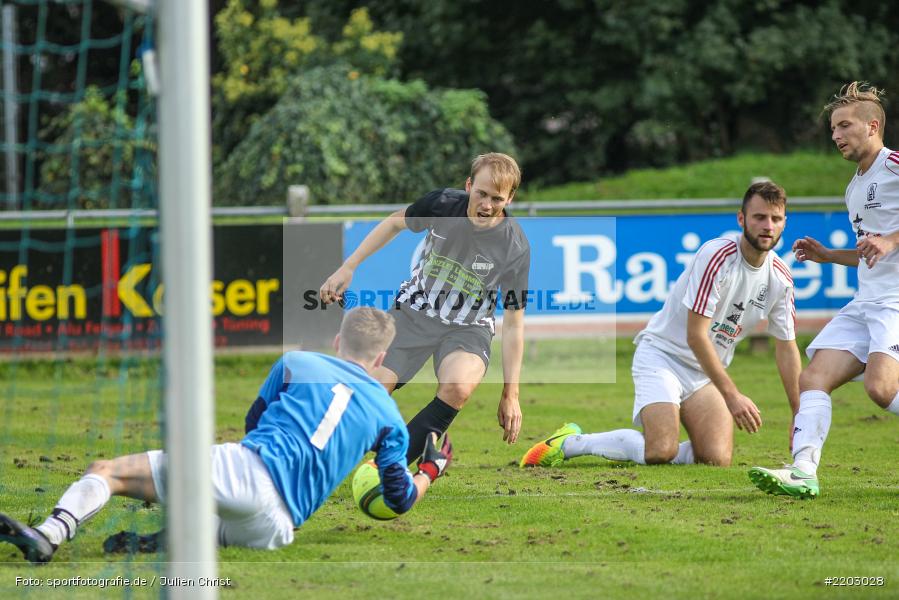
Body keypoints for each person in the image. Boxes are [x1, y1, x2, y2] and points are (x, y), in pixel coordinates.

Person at [0, 307, 452, 563]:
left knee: (107, 471)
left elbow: (254, 423)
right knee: (212, 522)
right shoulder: (389, 416)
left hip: (245, 473)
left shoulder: (298, 363)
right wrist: (431, 468)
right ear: (381, 356)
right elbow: (399, 500)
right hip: (278, 526)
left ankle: (49, 534)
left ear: (337, 341)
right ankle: (178, 537)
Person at [521, 181, 801, 469]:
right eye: (759, 217)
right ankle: (572, 442)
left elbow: (787, 346)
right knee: (659, 451)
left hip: (703, 375)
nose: (767, 225)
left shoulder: (780, 278)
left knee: (715, 460)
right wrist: (732, 395)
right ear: (741, 219)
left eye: (775, 219)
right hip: (663, 357)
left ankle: (670, 441)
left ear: (784, 223)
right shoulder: (716, 257)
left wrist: (798, 414)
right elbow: (696, 336)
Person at [320, 153, 530, 464]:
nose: (486, 205)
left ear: (510, 198)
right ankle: (323, 453)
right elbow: (395, 222)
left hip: (468, 327)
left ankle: (391, 465)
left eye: (496, 199)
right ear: (469, 184)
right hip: (413, 313)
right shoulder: (443, 204)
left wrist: (510, 394)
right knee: (370, 390)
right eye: (481, 193)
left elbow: (514, 323)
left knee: (458, 386)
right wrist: (348, 267)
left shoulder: (515, 247)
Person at [749, 82, 899, 499]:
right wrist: (830, 255)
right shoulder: (854, 188)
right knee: (812, 378)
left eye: (844, 125)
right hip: (868, 302)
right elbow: (871, 252)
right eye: (833, 128)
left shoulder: (894, 166)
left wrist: (890, 239)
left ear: (872, 126)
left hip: (896, 302)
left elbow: (885, 244)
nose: (835, 135)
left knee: (881, 389)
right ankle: (803, 471)